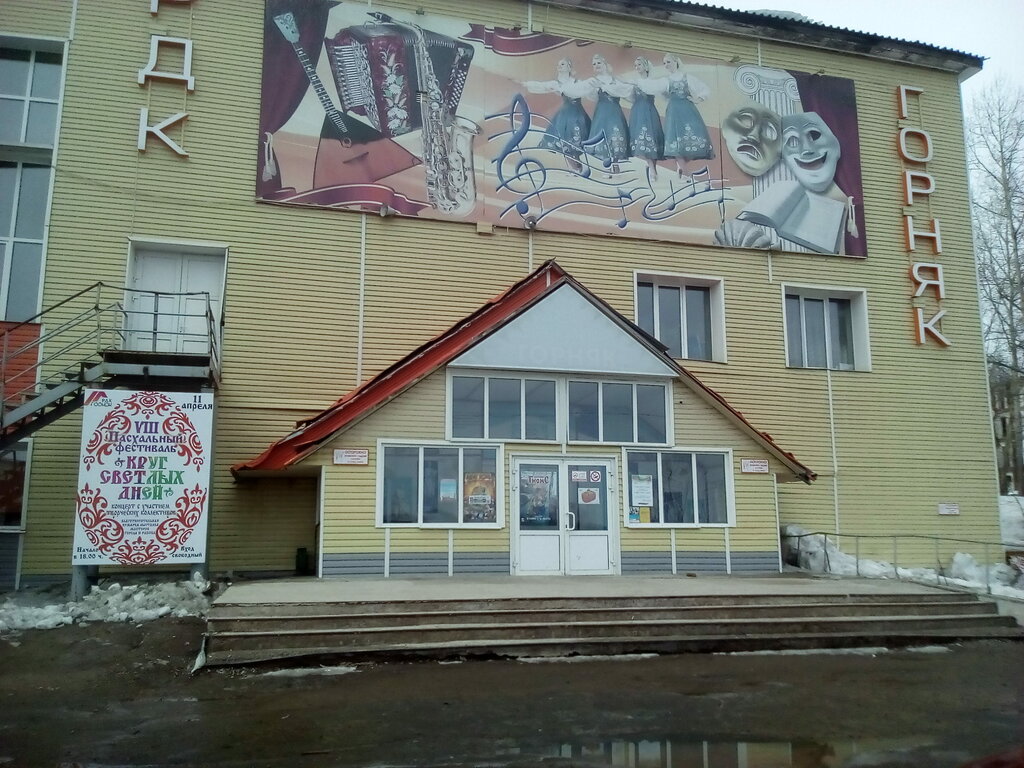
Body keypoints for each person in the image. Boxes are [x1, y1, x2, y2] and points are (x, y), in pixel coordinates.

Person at [523, 58, 592, 172]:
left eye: (562, 64)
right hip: (564, 115)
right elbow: (542, 86)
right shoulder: (556, 83)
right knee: (565, 144)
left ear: (569, 67)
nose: (559, 66)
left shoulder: (577, 82)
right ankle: (576, 169)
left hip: (577, 114)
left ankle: (578, 168)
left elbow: (587, 90)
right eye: (558, 64)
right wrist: (525, 83)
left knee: (576, 142)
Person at [662, 53, 715, 186]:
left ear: (676, 61)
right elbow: (662, 94)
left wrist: (698, 98)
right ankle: (684, 170)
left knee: (691, 138)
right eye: (664, 63)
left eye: (668, 62)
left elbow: (704, 89)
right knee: (674, 139)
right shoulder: (666, 80)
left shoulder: (687, 77)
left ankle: (682, 166)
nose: (666, 65)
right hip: (673, 111)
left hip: (687, 109)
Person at [586, 54, 631, 174]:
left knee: (616, 134)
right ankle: (607, 166)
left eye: (598, 63)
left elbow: (625, 92)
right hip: (602, 112)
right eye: (594, 64)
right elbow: (593, 97)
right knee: (603, 136)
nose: (596, 65)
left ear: (605, 64)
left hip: (615, 111)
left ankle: (615, 162)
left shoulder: (615, 80)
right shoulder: (594, 81)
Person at [627, 57, 665, 179]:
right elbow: (630, 97)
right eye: (635, 65)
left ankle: (653, 168)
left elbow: (660, 93)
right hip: (638, 112)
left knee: (652, 138)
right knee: (642, 138)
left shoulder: (652, 82)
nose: (637, 67)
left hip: (649, 111)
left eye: (639, 64)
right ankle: (652, 169)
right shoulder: (634, 82)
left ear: (646, 66)